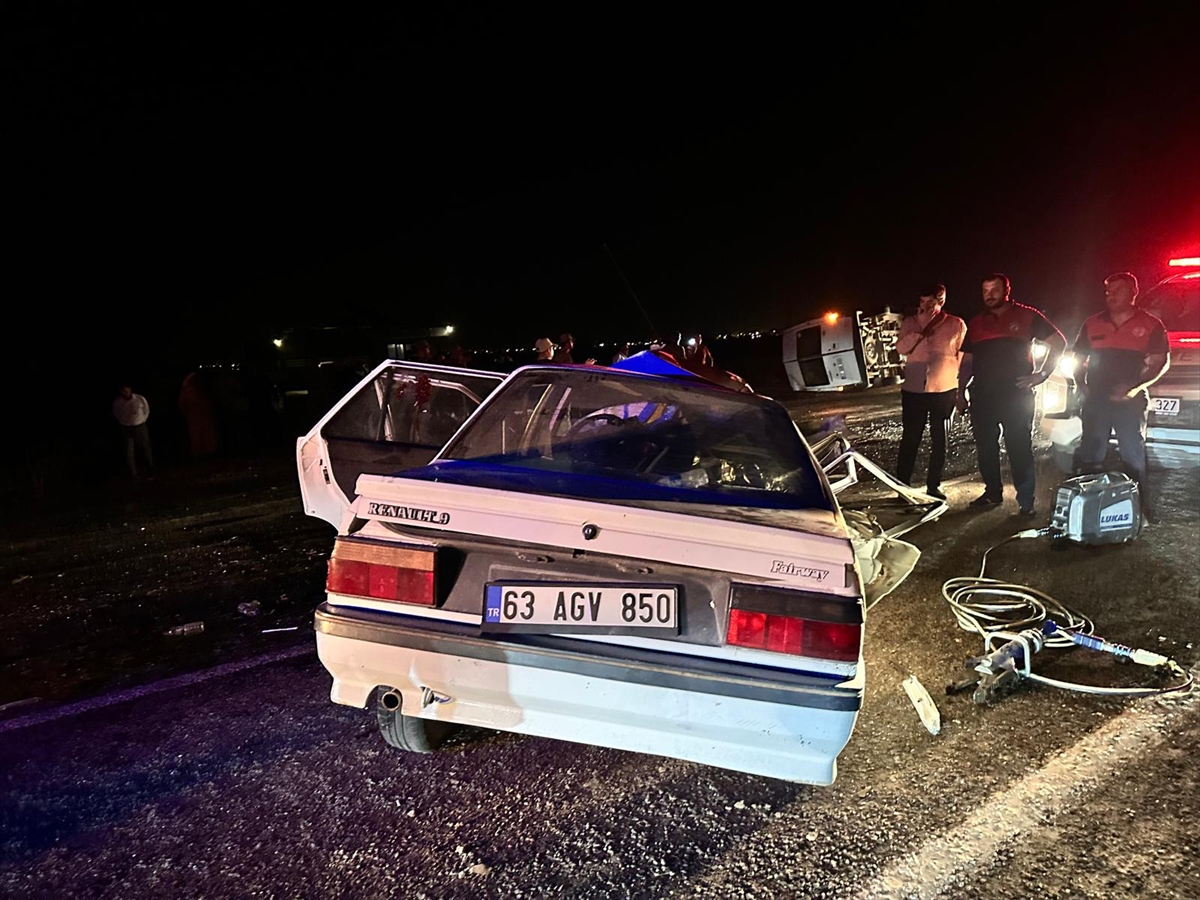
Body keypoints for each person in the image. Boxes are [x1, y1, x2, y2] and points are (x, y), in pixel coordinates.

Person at [958, 273, 1066, 515]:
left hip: (1016, 395)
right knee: (986, 447)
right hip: (983, 395)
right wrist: (960, 391)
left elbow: (1058, 342)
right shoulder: (976, 323)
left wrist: (1041, 375)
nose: (989, 295)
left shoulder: (1027, 316)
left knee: (1019, 447)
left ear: (1007, 290)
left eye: (994, 290)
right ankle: (992, 493)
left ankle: (1026, 502)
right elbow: (967, 360)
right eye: (985, 290)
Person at [1072, 272, 1169, 517]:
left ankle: (1138, 510)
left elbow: (1160, 362)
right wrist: (1081, 384)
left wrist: (1134, 388)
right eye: (1107, 291)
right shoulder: (1092, 323)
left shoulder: (1150, 324)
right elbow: (1078, 358)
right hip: (1097, 401)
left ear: (1133, 293)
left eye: (1117, 290)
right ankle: (1088, 510)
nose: (1111, 295)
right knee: (1091, 454)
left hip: (1130, 401)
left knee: (1133, 454)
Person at [894, 284, 967, 500]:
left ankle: (933, 485)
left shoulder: (956, 324)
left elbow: (961, 356)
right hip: (914, 390)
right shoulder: (909, 323)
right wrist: (920, 330)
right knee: (910, 439)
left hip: (943, 390)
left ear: (941, 301)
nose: (925, 307)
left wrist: (962, 388)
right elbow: (901, 348)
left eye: (930, 302)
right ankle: (902, 486)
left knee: (940, 440)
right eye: (922, 302)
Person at [113, 384, 154, 478]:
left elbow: (146, 410)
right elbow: (116, 412)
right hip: (126, 428)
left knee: (145, 446)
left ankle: (149, 467)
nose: (125, 393)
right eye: (123, 391)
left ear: (130, 390)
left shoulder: (139, 398)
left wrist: (142, 420)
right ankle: (133, 472)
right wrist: (124, 421)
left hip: (140, 426)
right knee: (129, 449)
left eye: (126, 391)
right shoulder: (118, 402)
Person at [178, 371, 217, 458]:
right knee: (197, 435)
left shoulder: (202, 389)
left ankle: (209, 453)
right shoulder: (188, 389)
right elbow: (182, 404)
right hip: (195, 417)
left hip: (204, 415)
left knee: (207, 435)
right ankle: (200, 454)